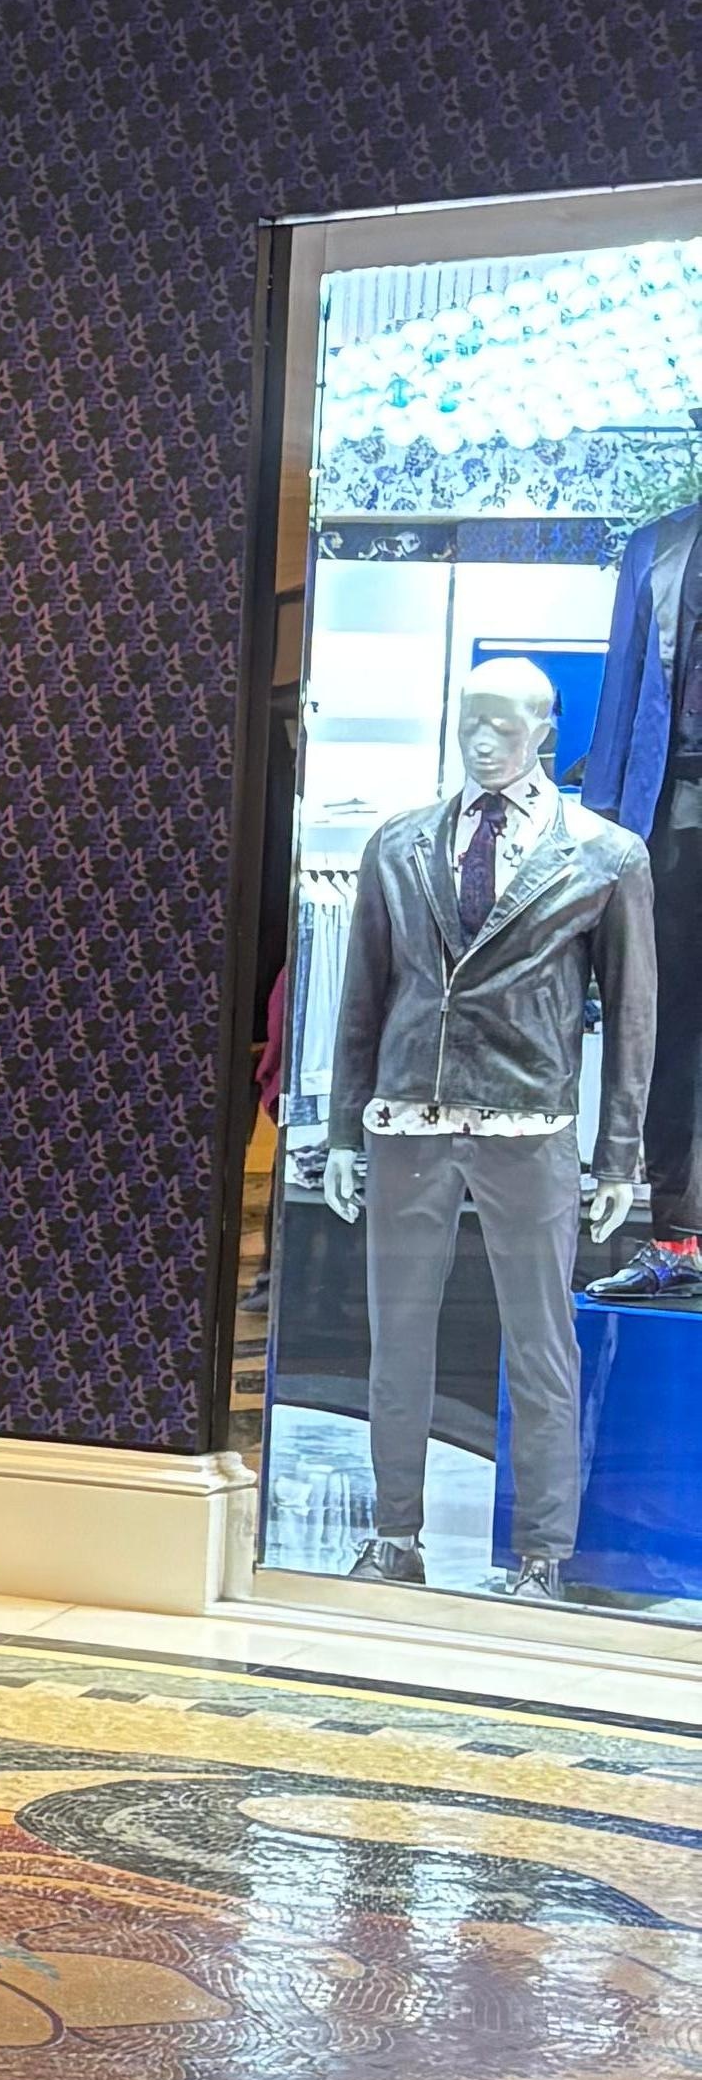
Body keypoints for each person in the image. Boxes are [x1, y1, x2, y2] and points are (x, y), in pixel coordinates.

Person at [319, 652, 652, 1597]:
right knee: (398, 1335)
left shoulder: (603, 855)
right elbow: (362, 1001)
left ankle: (544, 1555)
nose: (484, 739)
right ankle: (394, 1537)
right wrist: (346, 1129)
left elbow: (633, 1015)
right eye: (471, 719)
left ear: (546, 732)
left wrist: (615, 1152)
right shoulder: (398, 844)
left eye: (507, 725)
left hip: (530, 1122)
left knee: (541, 1342)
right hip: (406, 1123)